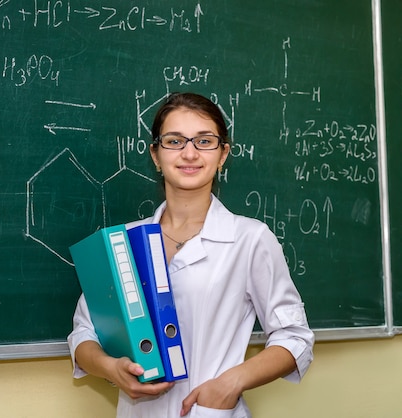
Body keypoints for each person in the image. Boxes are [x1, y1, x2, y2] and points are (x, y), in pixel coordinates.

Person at [67, 92, 314, 418]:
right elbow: (84, 334)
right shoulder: (123, 241)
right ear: (155, 154)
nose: (189, 153)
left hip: (209, 411)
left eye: (204, 141)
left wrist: (230, 383)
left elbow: (294, 336)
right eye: (174, 141)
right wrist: (111, 368)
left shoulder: (250, 239)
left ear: (223, 153)